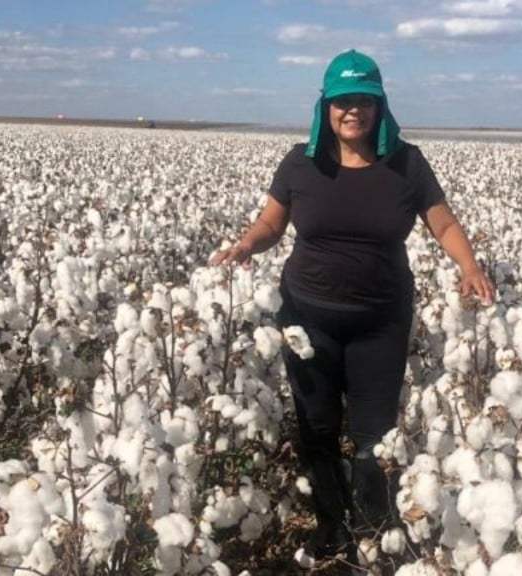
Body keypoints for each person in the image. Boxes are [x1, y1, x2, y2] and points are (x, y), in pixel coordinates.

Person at [210, 49, 494, 570]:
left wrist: (469, 267)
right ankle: (329, 526)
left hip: (379, 322)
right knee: (316, 429)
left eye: (363, 100)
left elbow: (444, 224)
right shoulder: (301, 162)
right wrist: (245, 245)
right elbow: (271, 225)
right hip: (306, 318)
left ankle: (373, 527)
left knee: (373, 435)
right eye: (342, 101)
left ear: (379, 105)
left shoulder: (406, 163)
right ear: (325, 107)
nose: (352, 111)